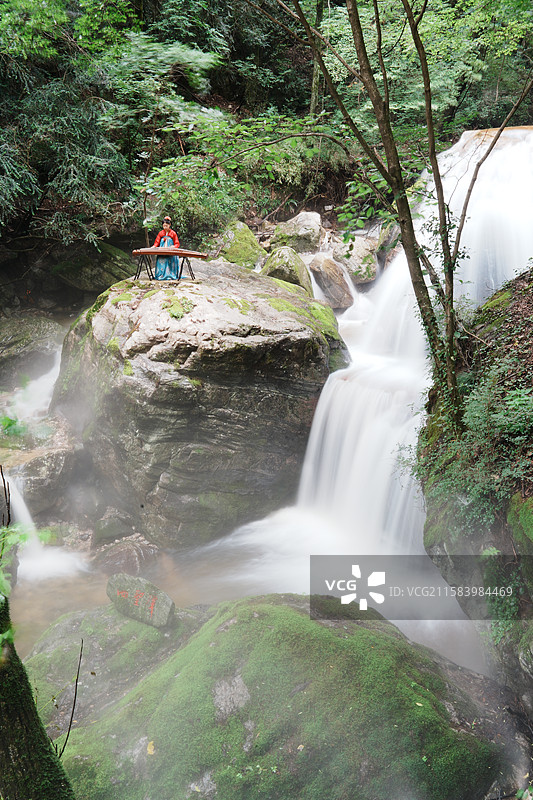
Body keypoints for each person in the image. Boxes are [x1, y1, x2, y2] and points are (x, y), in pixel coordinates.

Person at [153, 216, 181, 280]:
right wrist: (154, 246)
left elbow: (177, 243)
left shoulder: (173, 233)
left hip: (170, 251)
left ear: (169, 225)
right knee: (161, 260)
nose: (165, 226)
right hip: (162, 251)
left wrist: (173, 246)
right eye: (164, 225)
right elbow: (157, 242)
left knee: (170, 260)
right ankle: (161, 275)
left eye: (167, 225)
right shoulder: (161, 233)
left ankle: (170, 275)